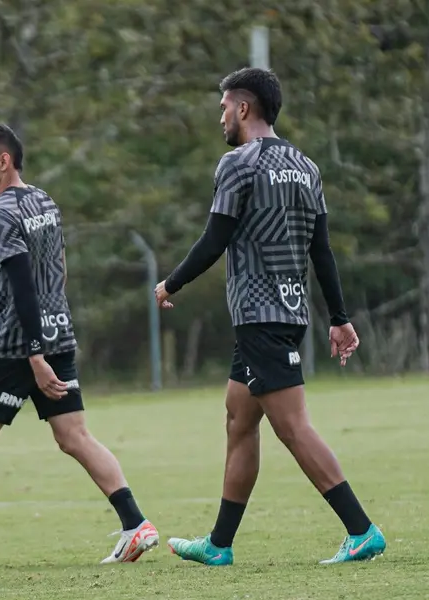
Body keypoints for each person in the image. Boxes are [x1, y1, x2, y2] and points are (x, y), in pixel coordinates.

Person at [153, 67, 386, 566]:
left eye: (223, 107)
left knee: (293, 427)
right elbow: (321, 250)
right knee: (240, 418)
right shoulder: (306, 166)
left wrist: (171, 283)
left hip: (260, 314)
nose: (220, 115)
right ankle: (219, 544)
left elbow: (215, 238)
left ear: (243, 108)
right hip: (288, 310)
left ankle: (361, 529)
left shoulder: (239, 163)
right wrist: (338, 316)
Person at [0, 124, 159, 569]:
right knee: (74, 435)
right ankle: (135, 523)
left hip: (16, 344)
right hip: (58, 330)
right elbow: (52, 268)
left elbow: (24, 284)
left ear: (4, 162)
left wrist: (34, 353)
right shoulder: (43, 200)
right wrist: (1, 296)